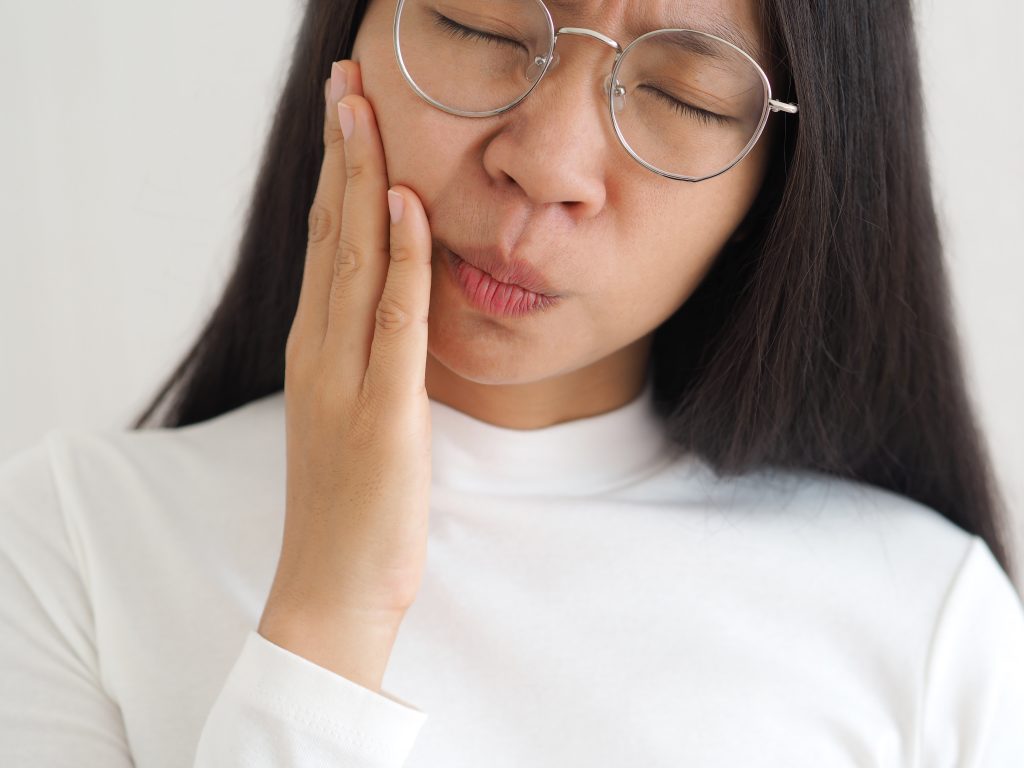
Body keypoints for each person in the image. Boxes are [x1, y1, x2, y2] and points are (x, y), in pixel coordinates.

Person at [2, 0, 1022, 765]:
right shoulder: (78, 538)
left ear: (790, 173)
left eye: (679, 95)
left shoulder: (926, 623)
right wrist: (328, 613)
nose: (547, 164)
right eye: (480, 22)